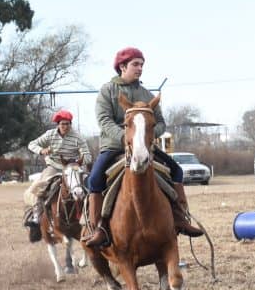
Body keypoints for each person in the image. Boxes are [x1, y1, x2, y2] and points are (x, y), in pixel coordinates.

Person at [83, 46, 203, 248]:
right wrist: (126, 137)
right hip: (114, 147)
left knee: (176, 170)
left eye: (141, 65)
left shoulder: (147, 94)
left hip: (145, 147)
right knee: (94, 179)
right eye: (135, 64)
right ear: (122, 66)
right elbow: (104, 120)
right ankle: (99, 229)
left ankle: (180, 219)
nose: (140, 68)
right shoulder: (107, 91)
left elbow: (161, 122)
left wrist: (145, 136)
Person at [23, 110, 92, 229]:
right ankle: (36, 217)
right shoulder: (50, 134)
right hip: (54, 166)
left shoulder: (78, 137)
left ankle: (89, 215)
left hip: (72, 168)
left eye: (68, 124)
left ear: (71, 124)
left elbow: (88, 156)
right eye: (63, 124)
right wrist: (42, 150)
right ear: (58, 125)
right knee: (39, 187)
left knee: (86, 187)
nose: (65, 126)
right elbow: (32, 144)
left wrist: (77, 161)